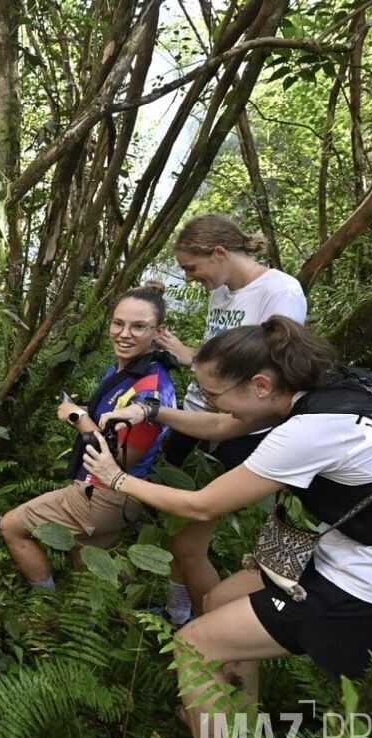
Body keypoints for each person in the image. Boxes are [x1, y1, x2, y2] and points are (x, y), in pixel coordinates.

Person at [83, 317, 372, 738]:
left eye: (211, 395)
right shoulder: (341, 390)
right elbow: (230, 425)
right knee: (220, 600)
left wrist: (116, 479)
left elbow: (202, 505)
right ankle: (235, 722)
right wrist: (152, 410)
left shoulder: (312, 431)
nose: (211, 406)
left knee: (194, 644)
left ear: (261, 385)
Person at [152, 215, 307, 627]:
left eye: (191, 267)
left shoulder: (279, 292)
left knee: (190, 539)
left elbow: (276, 375)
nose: (188, 278)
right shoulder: (222, 292)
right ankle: (177, 612)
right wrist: (188, 355)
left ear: (219, 253)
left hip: (237, 430)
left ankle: (206, 631)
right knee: (176, 531)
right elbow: (218, 359)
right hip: (195, 418)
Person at [0, 283, 179, 590]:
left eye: (138, 327)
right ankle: (87, 627)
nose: (124, 334)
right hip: (111, 495)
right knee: (87, 567)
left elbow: (120, 460)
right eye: (118, 323)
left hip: (107, 494)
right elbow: (112, 423)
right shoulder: (130, 369)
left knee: (12, 526)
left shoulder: (149, 391)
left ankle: (43, 605)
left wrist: (76, 416)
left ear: (158, 331)